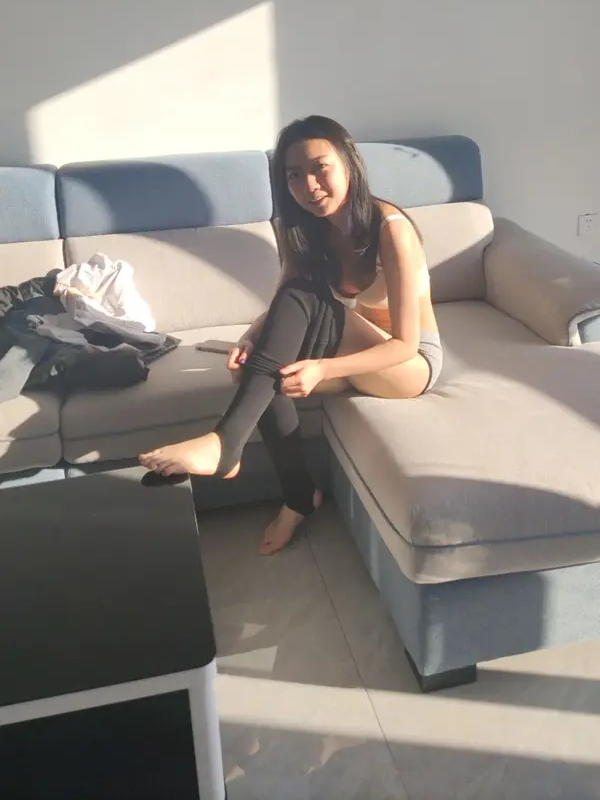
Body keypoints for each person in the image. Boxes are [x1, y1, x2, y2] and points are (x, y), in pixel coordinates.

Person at [139, 116, 443, 554]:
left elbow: (404, 345)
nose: (309, 186)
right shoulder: (301, 227)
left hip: (407, 367)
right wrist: (249, 340)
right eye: (295, 175)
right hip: (358, 353)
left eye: (321, 168)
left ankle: (226, 443)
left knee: (301, 308)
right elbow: (285, 299)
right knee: (264, 368)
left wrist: (322, 368)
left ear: (349, 165)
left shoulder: (390, 229)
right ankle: (299, 496)